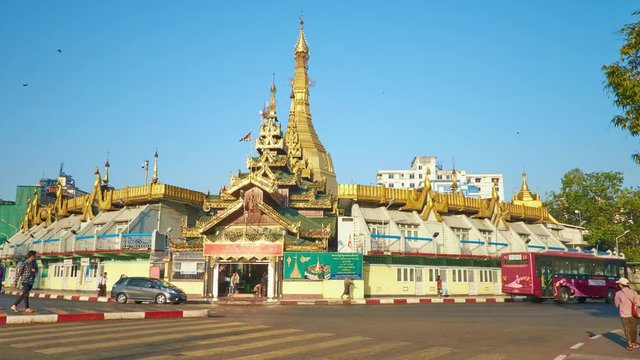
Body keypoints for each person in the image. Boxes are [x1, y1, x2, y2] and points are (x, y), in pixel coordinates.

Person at [614, 277, 640, 351]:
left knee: (627, 329)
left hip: (623, 314)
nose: (619, 285)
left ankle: (629, 344)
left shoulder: (618, 293)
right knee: (634, 329)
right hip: (633, 314)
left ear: (621, 285)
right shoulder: (634, 292)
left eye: (619, 283)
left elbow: (617, 305)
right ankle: (634, 343)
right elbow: (638, 303)